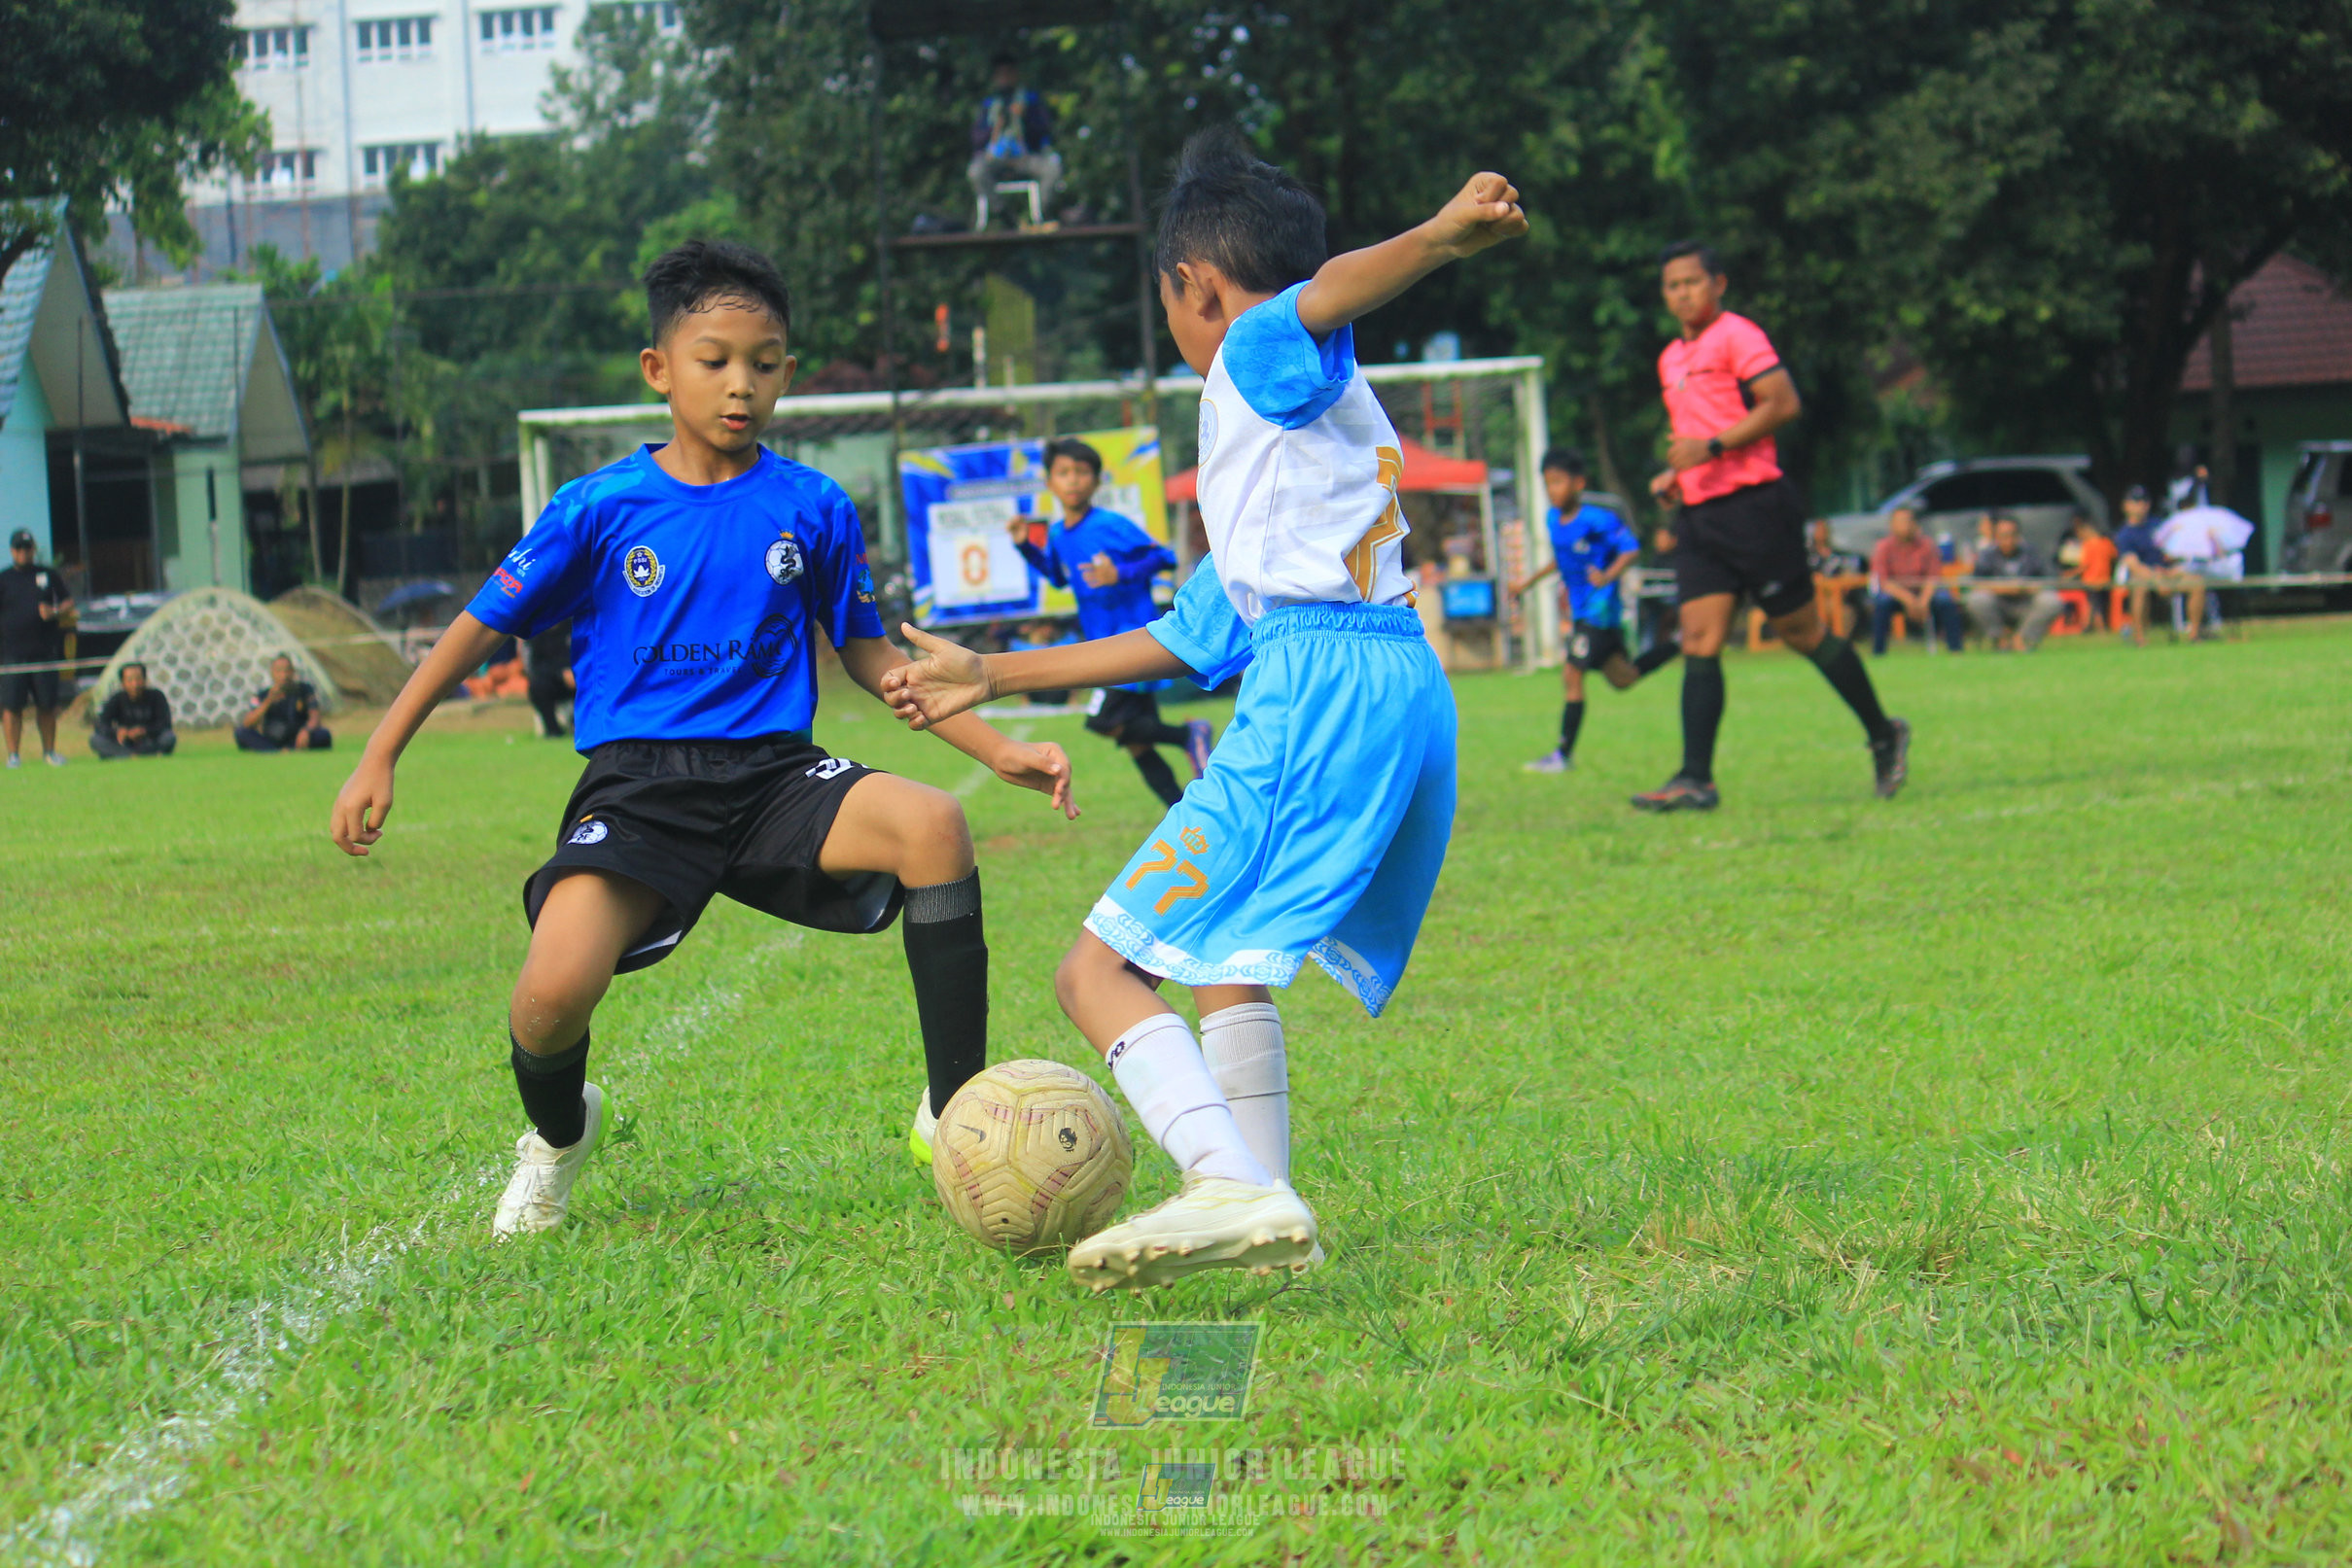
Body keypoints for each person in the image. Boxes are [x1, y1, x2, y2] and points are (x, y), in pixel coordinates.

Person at [883, 129, 1526, 1291]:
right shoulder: (1294, 447)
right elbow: (1186, 635)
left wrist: (1437, 238)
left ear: (1198, 287)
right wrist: (992, 673)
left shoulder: (1253, 351)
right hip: (1394, 675)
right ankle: (1269, 1216)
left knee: (1093, 973)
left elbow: (1324, 293)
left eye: (1168, 304)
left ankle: (1224, 1179)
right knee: (1226, 957)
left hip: (1322, 688)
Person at [329, 241, 1076, 1237]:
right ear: (658, 369)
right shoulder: (597, 507)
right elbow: (476, 629)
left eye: (763, 364)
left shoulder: (813, 505)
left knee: (934, 825)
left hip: (776, 776)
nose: (740, 385)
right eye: (714, 360)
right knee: (548, 997)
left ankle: (955, 1115)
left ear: (787, 373)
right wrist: (380, 751)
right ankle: (557, 1138)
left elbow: (867, 654)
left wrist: (994, 747)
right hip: (640, 787)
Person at [1633, 241, 1908, 812]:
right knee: (1700, 640)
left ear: (1718, 284)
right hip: (1700, 516)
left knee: (1802, 633)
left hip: (1755, 508)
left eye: (1692, 282)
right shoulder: (1670, 358)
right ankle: (1695, 779)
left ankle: (1884, 733)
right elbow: (1695, 435)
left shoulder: (1739, 335)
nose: (1682, 293)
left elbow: (1782, 403)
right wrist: (1676, 473)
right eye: (1672, 285)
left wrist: (1710, 447)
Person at [1009, 436, 1211, 805]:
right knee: (1137, 743)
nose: (1073, 480)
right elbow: (1057, 576)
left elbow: (1163, 557)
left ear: (1097, 480)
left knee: (1101, 721)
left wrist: (1120, 573)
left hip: (1131, 638)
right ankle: (1180, 811)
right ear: (1049, 482)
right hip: (1101, 640)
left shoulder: (1109, 524)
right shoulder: (1058, 533)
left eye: (1082, 472)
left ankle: (1189, 735)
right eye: (1064, 472)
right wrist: (1025, 546)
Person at [1507, 446, 1675, 772]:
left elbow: (1631, 550)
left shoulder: (1598, 520)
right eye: (1547, 483)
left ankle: (1562, 756)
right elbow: (1562, 559)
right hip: (1585, 612)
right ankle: (1679, 643)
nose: (1552, 490)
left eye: (1558, 482)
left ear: (1579, 483)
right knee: (1623, 678)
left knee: (1572, 674)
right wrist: (1527, 584)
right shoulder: (1553, 519)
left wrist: (1608, 576)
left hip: (1599, 611)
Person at [1, 527, 73, 768]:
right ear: (12, 551)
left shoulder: (47, 574)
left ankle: (49, 752)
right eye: (19, 548)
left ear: (33, 549)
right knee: (11, 707)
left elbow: (68, 602)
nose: (24, 552)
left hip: (44, 652)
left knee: (47, 705)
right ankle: (13, 756)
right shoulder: (4, 579)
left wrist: (55, 611)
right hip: (12, 654)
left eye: (27, 548)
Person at [967, 53, 1062, 226]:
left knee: (1052, 169)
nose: (1005, 77)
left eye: (1009, 73)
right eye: (1001, 74)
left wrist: (1025, 118)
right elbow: (976, 138)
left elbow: (1045, 130)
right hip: (995, 158)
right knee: (976, 172)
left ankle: (1042, 215)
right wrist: (995, 127)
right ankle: (1005, 216)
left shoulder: (1031, 100)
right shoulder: (988, 104)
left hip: (1025, 157)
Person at [2114, 484, 2207, 645]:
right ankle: (2140, 638)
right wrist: (2156, 578)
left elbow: (2173, 551)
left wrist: (2174, 566)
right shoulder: (2124, 535)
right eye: (2136, 502)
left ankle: (2194, 635)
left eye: (2144, 501)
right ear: (2126, 506)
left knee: (2197, 583)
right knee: (2139, 586)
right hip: (2146, 576)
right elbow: (2134, 565)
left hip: (2167, 573)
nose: (2142, 505)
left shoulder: (2159, 525)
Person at [1868, 505, 1964, 654]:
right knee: (1882, 603)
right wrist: (1909, 600)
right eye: (1900, 522)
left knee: (1946, 601)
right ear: (1892, 525)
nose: (1905, 526)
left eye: (1908, 521)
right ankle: (1878, 652)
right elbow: (1884, 582)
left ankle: (1956, 649)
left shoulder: (1927, 545)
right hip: (1896, 594)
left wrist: (1923, 601)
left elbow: (1934, 577)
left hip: (1924, 593)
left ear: (1914, 524)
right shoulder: (1883, 547)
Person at [1966, 514, 2065, 650]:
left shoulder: (2031, 553)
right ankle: (2000, 638)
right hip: (1999, 604)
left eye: (2012, 535)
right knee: (1977, 599)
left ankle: (2023, 638)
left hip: (2026, 603)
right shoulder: (1986, 555)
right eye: (2003, 536)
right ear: (1996, 537)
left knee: (2051, 601)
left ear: (2018, 536)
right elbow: (1976, 583)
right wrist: (2003, 588)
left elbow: (2049, 579)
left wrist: (2028, 587)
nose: (2008, 540)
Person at [235, 655, 333, 751]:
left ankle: (288, 749)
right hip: (272, 739)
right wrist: (268, 701)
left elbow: (315, 716)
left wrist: (307, 730)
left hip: (298, 738)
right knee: (241, 732)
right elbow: (247, 723)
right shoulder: (262, 695)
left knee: (323, 735)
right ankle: (275, 751)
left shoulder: (304, 690)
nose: (284, 675)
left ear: (293, 672)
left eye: (287, 671)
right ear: (272, 673)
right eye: (279, 671)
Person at [89, 663, 176, 758]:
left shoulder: (156, 696)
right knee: (96, 739)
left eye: (138, 679)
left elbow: (165, 723)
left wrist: (144, 731)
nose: (135, 684)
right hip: (125, 742)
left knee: (169, 737)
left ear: (145, 680)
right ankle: (131, 754)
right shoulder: (117, 699)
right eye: (130, 680)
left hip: (149, 740)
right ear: (123, 683)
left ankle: (125, 755)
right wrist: (119, 732)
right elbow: (101, 724)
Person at [2060, 512, 2117, 630]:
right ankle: (2097, 626)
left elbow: (2084, 566)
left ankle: (2097, 627)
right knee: (2100, 604)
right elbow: (2113, 556)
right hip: (2105, 580)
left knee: (2093, 604)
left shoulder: (2088, 545)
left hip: (2091, 581)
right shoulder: (2107, 543)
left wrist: (2069, 574)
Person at [523, 622, 573, 739]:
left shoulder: (573, 627)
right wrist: (560, 673)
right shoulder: (535, 634)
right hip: (553, 681)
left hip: (579, 679)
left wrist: (575, 672)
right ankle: (553, 730)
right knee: (537, 686)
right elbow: (534, 667)